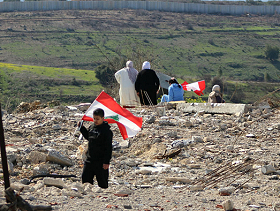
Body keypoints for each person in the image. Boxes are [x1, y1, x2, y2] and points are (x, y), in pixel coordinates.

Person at [78, 108, 113, 188]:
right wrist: (81, 128)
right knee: (86, 182)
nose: (95, 121)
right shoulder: (92, 127)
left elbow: (108, 147)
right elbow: (89, 137)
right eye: (94, 118)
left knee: (102, 184)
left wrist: (106, 161)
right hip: (90, 159)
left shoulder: (106, 131)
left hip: (101, 162)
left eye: (98, 119)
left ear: (103, 118)